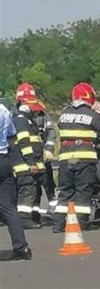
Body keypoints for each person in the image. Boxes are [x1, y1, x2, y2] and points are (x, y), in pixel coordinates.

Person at [52, 82, 100, 233]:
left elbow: (63, 128)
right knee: (83, 191)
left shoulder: (64, 113)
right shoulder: (92, 115)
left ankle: (58, 224)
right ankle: (82, 223)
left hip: (65, 159)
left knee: (65, 191)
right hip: (84, 159)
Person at [15, 83, 57, 215]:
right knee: (30, 188)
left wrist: (49, 149)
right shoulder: (16, 115)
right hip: (27, 158)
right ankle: (32, 215)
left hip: (43, 156)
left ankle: (54, 209)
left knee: (48, 184)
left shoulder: (41, 113)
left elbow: (51, 131)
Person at [0, 102, 32, 261]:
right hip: (3, 159)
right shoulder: (3, 109)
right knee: (8, 207)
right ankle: (22, 247)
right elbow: (12, 137)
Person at [10, 104, 47, 229]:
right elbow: (24, 143)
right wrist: (30, 162)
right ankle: (24, 219)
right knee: (28, 191)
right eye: (35, 112)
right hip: (24, 166)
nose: (36, 115)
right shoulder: (22, 121)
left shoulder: (23, 121)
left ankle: (31, 216)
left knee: (33, 191)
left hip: (27, 164)